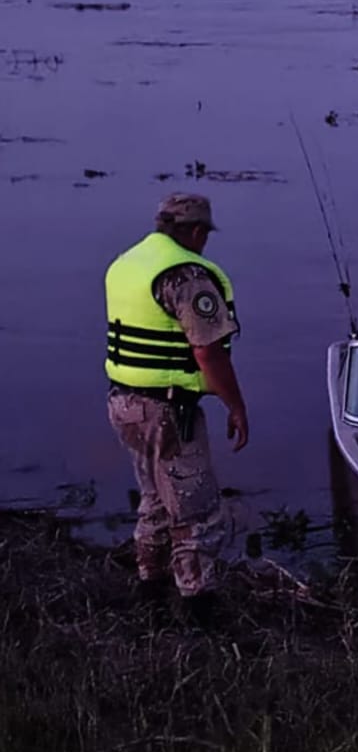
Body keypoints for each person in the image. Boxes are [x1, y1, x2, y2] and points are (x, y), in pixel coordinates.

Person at [104, 193, 249, 626]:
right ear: (197, 231)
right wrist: (236, 406)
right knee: (197, 512)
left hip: (124, 403)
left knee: (154, 500)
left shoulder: (127, 262)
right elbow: (208, 352)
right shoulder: (186, 276)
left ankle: (149, 593)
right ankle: (198, 609)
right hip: (167, 412)